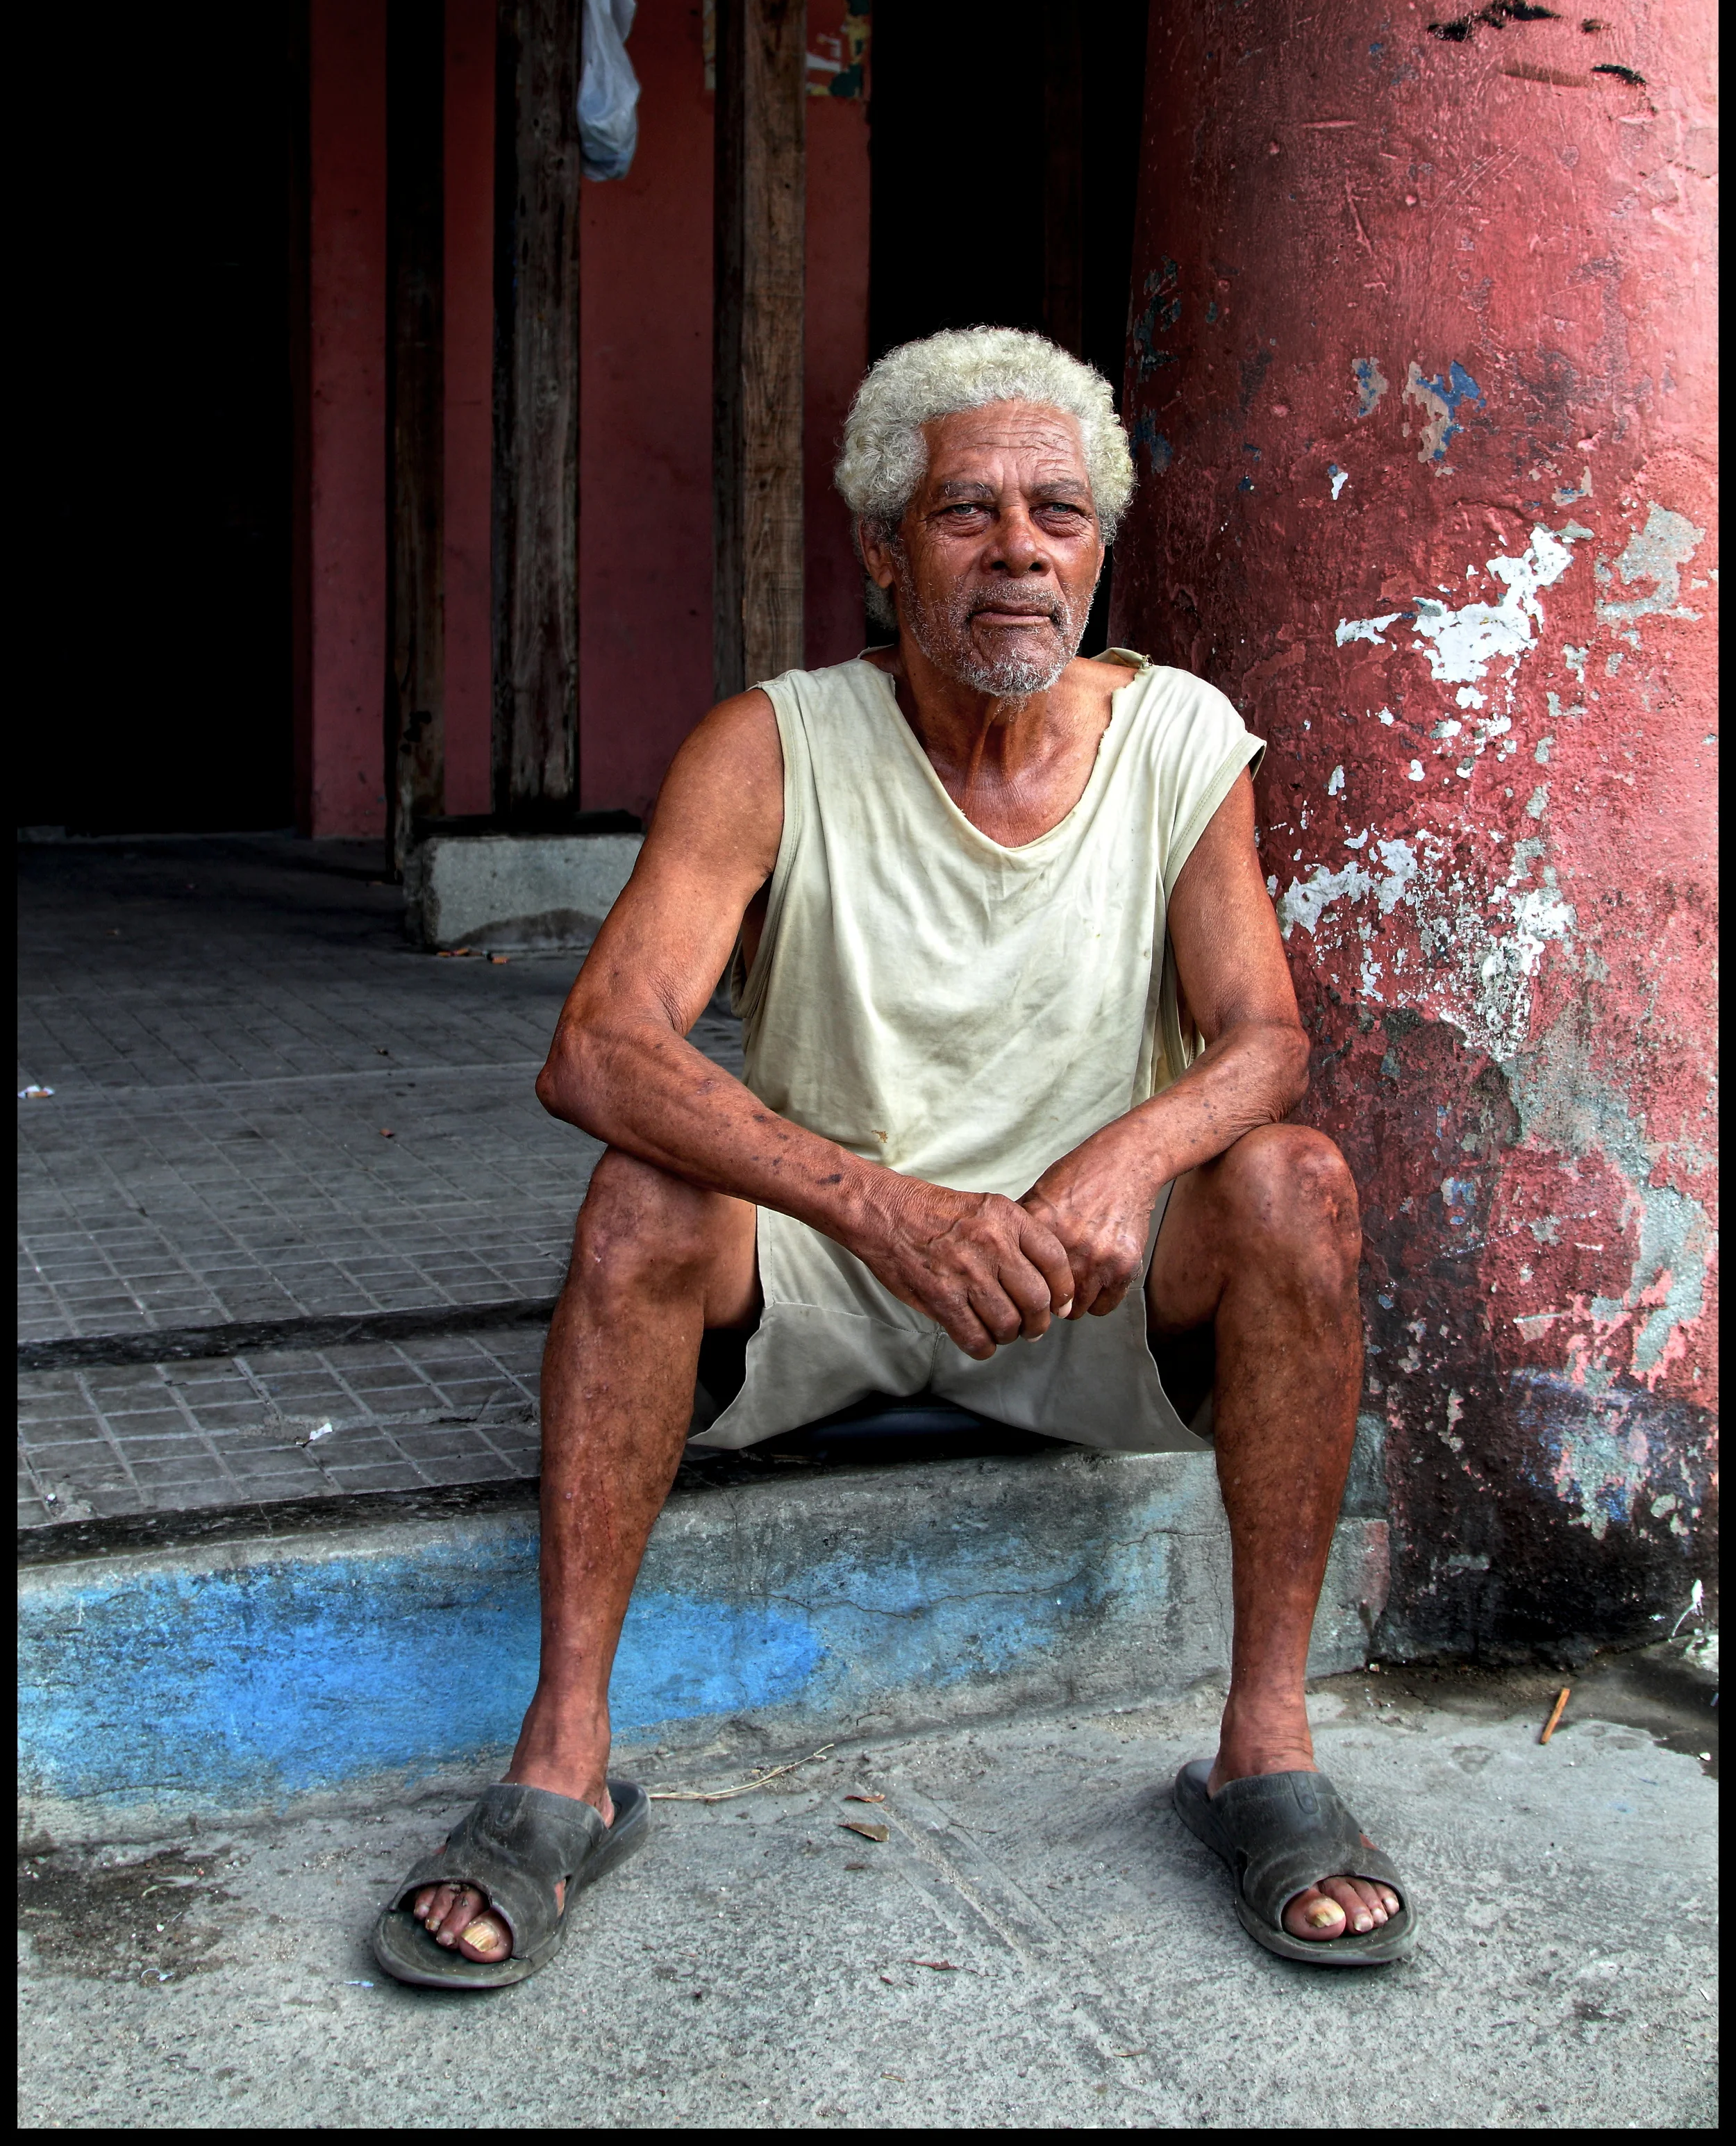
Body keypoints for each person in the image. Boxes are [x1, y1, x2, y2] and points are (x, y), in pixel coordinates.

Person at [372, 327, 1412, 1988]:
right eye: (965, 512)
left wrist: (1116, 1163)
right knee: (641, 1198)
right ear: (878, 548)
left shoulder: (1178, 742)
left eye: (1059, 513)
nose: (1019, 550)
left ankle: (1262, 1751)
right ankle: (561, 1761)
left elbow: (1264, 1040)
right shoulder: (772, 743)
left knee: (1293, 1179)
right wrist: (880, 1205)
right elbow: (600, 1045)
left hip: (1084, 1282)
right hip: (831, 1271)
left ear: (1098, 547)